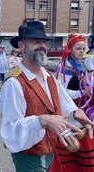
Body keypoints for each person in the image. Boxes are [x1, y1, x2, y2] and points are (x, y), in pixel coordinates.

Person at [0, 21, 94, 172]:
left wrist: (75, 113)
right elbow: (10, 129)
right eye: (36, 41)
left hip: (50, 152)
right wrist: (40, 121)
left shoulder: (49, 76)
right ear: (22, 46)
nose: (42, 45)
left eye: (44, 41)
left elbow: (64, 105)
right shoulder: (14, 83)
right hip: (28, 157)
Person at [51, 33, 94, 172]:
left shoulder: (77, 65)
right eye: (78, 48)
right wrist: (81, 93)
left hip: (79, 109)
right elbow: (60, 93)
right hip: (70, 113)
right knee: (74, 150)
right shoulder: (65, 69)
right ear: (70, 49)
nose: (82, 51)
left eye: (83, 48)